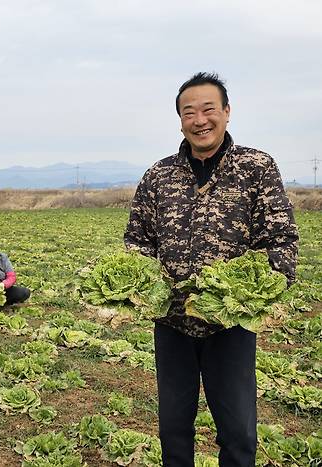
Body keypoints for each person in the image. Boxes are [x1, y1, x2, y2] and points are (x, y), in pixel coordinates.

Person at [124, 72, 298, 466]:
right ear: (180, 120)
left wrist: (247, 295)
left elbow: (281, 240)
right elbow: (137, 240)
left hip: (230, 326)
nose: (199, 120)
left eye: (208, 109)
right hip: (172, 323)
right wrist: (143, 287)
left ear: (227, 112)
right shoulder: (158, 175)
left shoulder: (256, 168)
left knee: (238, 433)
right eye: (189, 112)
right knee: (172, 429)